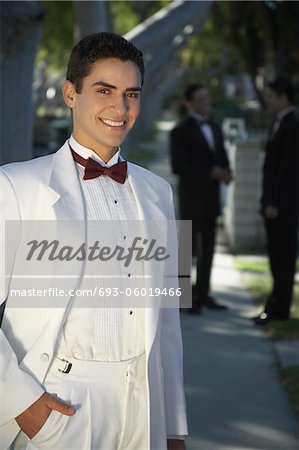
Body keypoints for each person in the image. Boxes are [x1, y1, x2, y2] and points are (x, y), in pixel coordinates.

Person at [0, 32, 187, 450]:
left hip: (144, 407)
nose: (120, 108)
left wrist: (173, 426)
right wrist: (22, 404)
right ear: (71, 92)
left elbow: (169, 322)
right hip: (58, 405)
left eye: (131, 94)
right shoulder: (14, 185)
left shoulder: (159, 192)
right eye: (105, 90)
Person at [170, 84, 233, 314]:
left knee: (209, 248)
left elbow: (222, 156)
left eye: (207, 98)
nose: (207, 102)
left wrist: (226, 172)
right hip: (191, 198)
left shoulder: (215, 127)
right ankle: (186, 298)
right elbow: (179, 167)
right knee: (188, 250)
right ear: (190, 104)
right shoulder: (180, 130)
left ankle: (205, 294)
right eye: (201, 99)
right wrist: (210, 173)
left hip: (211, 198)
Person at [254, 78, 299, 325]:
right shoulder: (281, 123)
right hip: (273, 203)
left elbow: (288, 171)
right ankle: (274, 305)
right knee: (275, 256)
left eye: (271, 96)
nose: (268, 101)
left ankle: (279, 309)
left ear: (283, 97)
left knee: (283, 256)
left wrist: (275, 203)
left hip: (282, 206)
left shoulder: (292, 124)